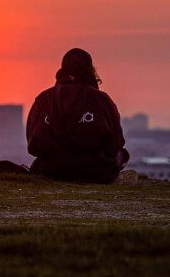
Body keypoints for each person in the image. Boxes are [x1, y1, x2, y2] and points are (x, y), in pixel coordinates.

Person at [26, 48, 130, 183]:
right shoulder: (101, 100)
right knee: (122, 154)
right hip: (95, 172)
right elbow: (116, 143)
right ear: (90, 70)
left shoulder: (43, 99)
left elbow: (32, 146)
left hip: (50, 170)